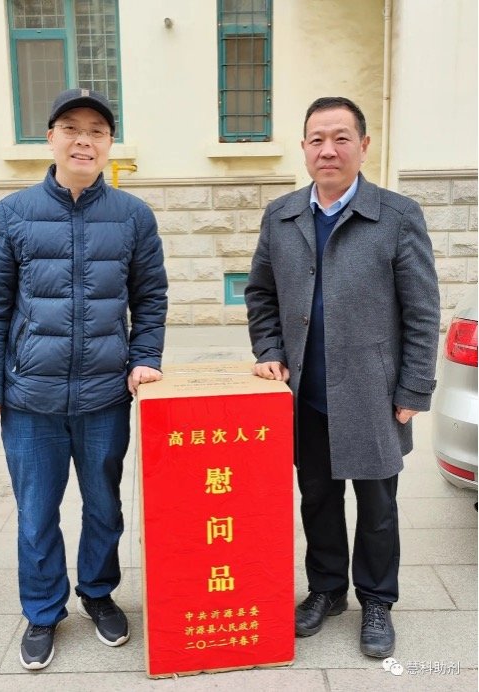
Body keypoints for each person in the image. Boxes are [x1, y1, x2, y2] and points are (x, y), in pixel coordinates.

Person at [0, 88, 168, 670]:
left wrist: (144, 357)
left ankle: (99, 594)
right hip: (30, 396)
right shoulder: (13, 214)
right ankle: (42, 610)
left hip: (105, 395)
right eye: (72, 129)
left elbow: (150, 297)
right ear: (50, 137)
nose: (85, 140)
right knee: (36, 511)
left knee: (104, 505)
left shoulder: (133, 217)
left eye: (97, 131)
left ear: (109, 144)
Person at [245, 96, 440, 658]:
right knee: (317, 497)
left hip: (374, 393)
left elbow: (422, 309)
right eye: (317, 139)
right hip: (305, 392)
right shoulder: (282, 215)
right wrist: (269, 349)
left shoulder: (396, 215)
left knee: (377, 506)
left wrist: (413, 388)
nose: (327, 150)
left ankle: (376, 599)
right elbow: (260, 294)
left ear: (363, 145)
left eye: (341, 138)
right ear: (304, 147)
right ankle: (327, 589)